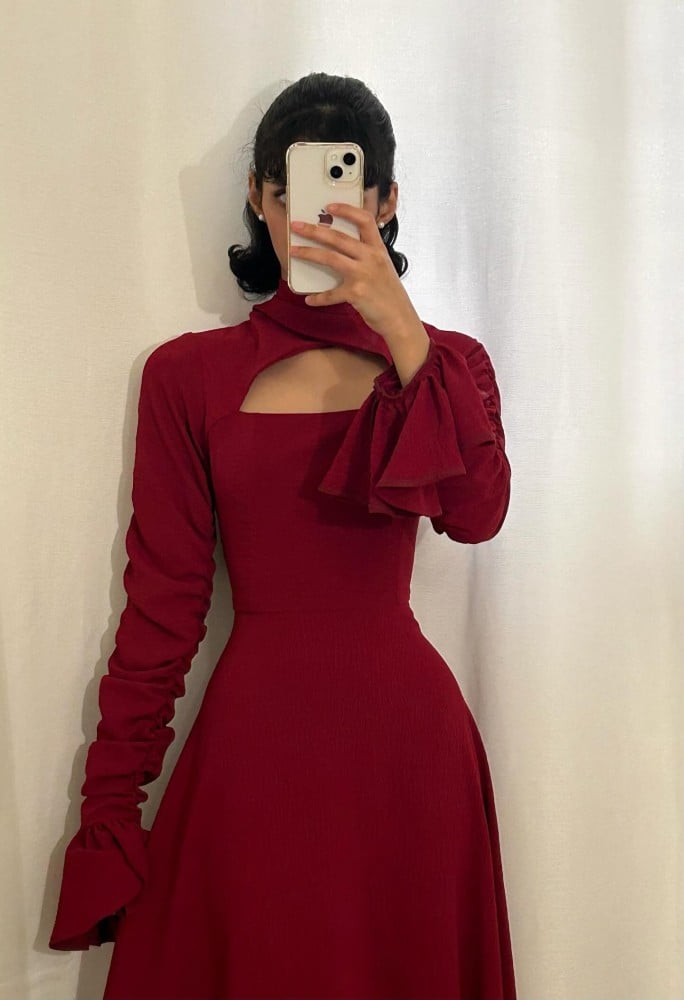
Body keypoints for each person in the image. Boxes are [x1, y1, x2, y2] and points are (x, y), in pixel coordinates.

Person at [48, 71, 517, 999]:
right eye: (288, 190)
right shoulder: (188, 376)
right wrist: (112, 806)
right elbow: (163, 608)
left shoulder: (449, 364)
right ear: (260, 200)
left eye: (349, 194)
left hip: (409, 758)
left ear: (386, 203)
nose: (315, 217)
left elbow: (479, 515)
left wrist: (403, 333)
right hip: (256, 752)